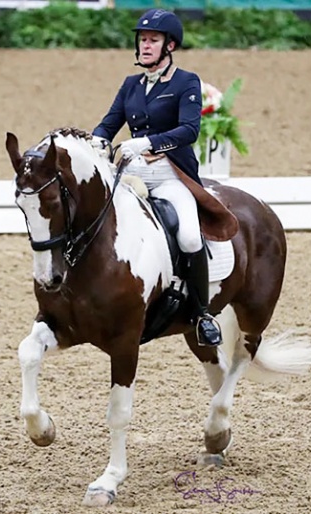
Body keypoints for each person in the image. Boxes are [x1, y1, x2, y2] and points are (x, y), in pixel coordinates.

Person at [91, 9, 224, 347]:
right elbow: (109, 124)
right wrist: (95, 140)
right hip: (133, 173)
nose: (145, 45)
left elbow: (190, 130)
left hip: (170, 175)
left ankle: (202, 314)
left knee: (191, 238)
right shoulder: (131, 85)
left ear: (170, 45)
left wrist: (148, 141)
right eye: (142, 40)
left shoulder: (186, 82)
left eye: (153, 40)